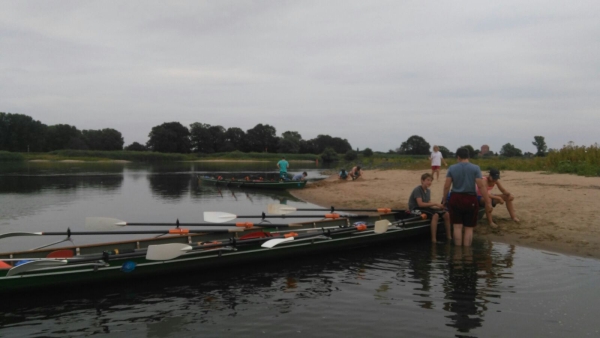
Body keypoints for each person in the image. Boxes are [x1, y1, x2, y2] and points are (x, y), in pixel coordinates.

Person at [442, 148, 492, 247]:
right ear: (468, 156)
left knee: (457, 226)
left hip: (456, 198)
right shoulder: (475, 168)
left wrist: (444, 200)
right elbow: (481, 186)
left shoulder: (452, 168)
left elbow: (447, 185)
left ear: (458, 157)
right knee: (469, 227)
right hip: (470, 199)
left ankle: (458, 254)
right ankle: (467, 253)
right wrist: (487, 202)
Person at [408, 173, 452, 243]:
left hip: (424, 208)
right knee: (435, 215)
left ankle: (449, 237)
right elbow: (420, 204)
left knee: (446, 214)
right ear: (422, 181)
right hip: (415, 209)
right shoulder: (417, 189)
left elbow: (428, 202)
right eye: (428, 180)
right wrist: (435, 203)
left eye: (431, 181)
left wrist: (438, 207)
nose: (429, 182)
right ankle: (433, 239)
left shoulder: (428, 191)